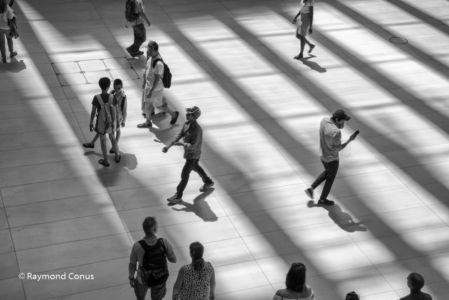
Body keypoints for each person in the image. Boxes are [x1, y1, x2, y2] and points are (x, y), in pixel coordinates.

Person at [304, 109, 358, 206]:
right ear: (337, 119)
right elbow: (337, 149)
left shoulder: (324, 120)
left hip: (322, 155)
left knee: (327, 173)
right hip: (332, 160)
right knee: (330, 179)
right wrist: (349, 140)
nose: (344, 123)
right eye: (343, 121)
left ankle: (311, 189)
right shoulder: (336, 132)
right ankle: (322, 199)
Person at [162, 106, 214, 204]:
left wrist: (182, 144)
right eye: (187, 113)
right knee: (196, 167)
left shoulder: (197, 130)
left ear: (194, 117)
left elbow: (193, 146)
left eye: (189, 114)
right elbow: (179, 135)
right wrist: (168, 146)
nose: (186, 114)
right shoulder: (186, 124)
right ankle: (208, 182)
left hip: (193, 155)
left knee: (184, 175)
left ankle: (178, 196)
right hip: (189, 154)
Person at [129, 216, 177, 300]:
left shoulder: (137, 246)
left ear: (144, 229)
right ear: (155, 229)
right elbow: (174, 260)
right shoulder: (163, 242)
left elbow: (132, 265)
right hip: (159, 278)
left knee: (140, 297)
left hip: (142, 279)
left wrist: (131, 278)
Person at [138, 40, 179, 128]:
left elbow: (157, 79)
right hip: (148, 87)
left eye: (150, 50)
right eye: (148, 49)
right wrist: (144, 82)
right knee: (147, 105)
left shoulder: (159, 63)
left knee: (160, 106)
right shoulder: (150, 58)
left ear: (155, 50)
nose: (148, 51)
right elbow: (146, 71)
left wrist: (151, 90)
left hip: (155, 90)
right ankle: (148, 122)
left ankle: (174, 114)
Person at [83, 79, 127, 154]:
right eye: (115, 88)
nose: (116, 90)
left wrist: (123, 121)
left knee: (116, 131)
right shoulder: (111, 93)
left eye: (118, 88)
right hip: (109, 116)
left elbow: (124, 110)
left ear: (122, 87)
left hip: (117, 117)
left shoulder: (123, 97)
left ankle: (114, 147)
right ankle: (93, 143)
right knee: (102, 130)